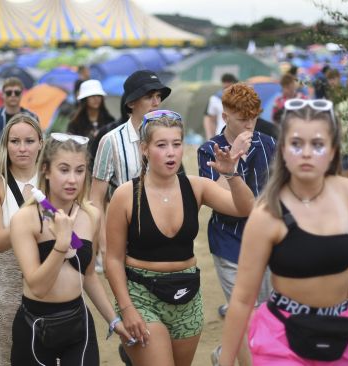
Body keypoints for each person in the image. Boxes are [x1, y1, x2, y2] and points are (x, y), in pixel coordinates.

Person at [216, 99, 348, 365]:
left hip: (340, 332)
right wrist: (227, 361)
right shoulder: (268, 214)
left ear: (332, 150)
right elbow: (241, 300)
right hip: (281, 339)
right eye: (297, 144)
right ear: (283, 150)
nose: (307, 153)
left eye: (318, 144)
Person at [105, 110, 255, 366]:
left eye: (176, 144)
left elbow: (246, 208)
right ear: (144, 149)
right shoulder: (126, 195)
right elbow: (113, 259)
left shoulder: (196, 187)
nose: (171, 152)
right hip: (142, 293)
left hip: (187, 295)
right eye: (161, 145)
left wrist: (231, 174)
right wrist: (127, 309)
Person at [9, 133, 130, 365]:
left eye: (80, 170)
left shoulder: (91, 215)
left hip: (77, 324)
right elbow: (38, 286)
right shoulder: (25, 219)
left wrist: (114, 321)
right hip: (35, 324)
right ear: (45, 170)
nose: (73, 180)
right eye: (64, 170)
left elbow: (89, 276)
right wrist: (61, 245)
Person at [198, 83, 276, 366]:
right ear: (225, 116)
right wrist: (232, 160)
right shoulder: (209, 150)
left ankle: (223, 354)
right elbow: (214, 197)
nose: (249, 123)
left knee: (267, 312)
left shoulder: (268, 143)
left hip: (267, 239)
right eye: (242, 117)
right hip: (229, 241)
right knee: (247, 312)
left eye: (253, 117)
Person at [0, 113, 43, 366]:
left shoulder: (53, 180)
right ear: (5, 145)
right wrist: (31, 221)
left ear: (40, 143)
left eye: (29, 141)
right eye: (15, 141)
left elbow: (76, 241)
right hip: (7, 282)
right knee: (13, 356)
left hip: (51, 281)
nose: (22, 148)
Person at [90, 70, 171, 271]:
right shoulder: (111, 141)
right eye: (149, 96)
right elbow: (95, 199)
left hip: (166, 237)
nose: (156, 102)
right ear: (131, 103)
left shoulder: (168, 138)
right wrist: (104, 246)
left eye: (158, 96)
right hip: (125, 240)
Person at [0, 77, 38, 175]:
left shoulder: (32, 118)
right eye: (9, 92)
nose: (13, 95)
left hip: (24, 172)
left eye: (17, 92)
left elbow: (38, 149)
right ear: (3, 95)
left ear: (22, 94)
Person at [203, 73, 238, 140]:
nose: (227, 90)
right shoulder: (215, 99)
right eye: (225, 87)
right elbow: (210, 119)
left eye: (230, 87)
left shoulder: (241, 99)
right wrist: (210, 137)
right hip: (221, 134)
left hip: (237, 135)